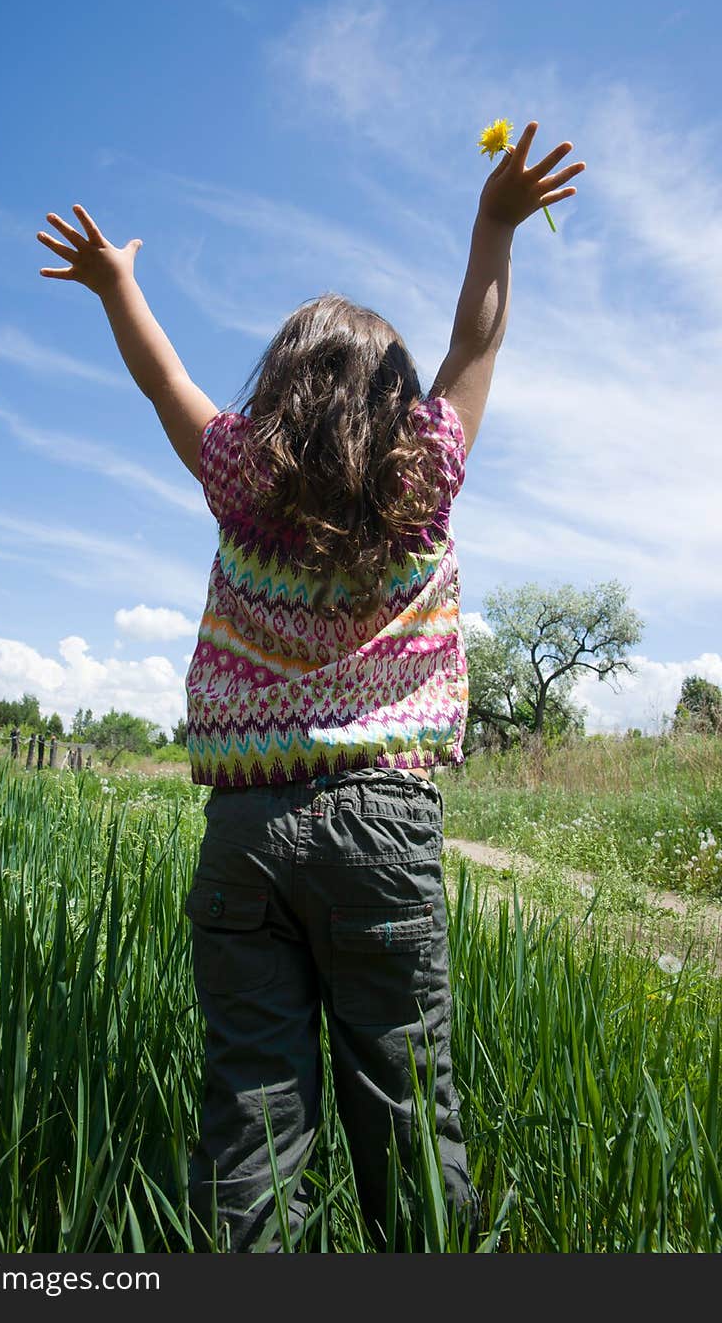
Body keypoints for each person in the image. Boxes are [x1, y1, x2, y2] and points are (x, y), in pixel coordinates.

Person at [37, 122, 585, 1250]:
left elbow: (163, 381)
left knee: (251, 1119)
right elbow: (476, 345)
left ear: (278, 388)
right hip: (386, 823)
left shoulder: (239, 477)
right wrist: (492, 225)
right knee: (406, 1113)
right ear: (392, 402)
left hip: (246, 826)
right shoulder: (421, 474)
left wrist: (116, 287)